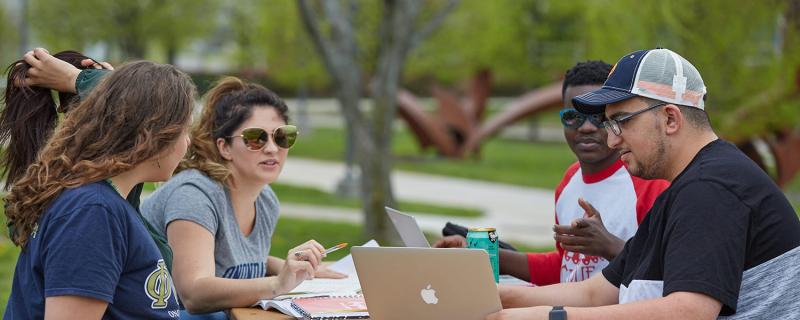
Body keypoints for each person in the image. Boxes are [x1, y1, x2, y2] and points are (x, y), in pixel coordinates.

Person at [489, 48, 800, 319]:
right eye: (608, 124)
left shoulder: (711, 188)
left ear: (670, 119)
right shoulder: (686, 186)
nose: (611, 140)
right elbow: (595, 294)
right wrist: (493, 296)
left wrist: (552, 318)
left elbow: (687, 312)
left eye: (621, 121)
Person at [435, 61, 669, 285]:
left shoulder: (649, 183)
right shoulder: (570, 181)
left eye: (598, 117)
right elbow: (566, 267)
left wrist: (609, 246)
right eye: (572, 117)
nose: (586, 127)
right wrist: (479, 254)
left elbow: (664, 272)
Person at [140, 77, 345, 318]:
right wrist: (277, 284)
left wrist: (287, 267)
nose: (272, 148)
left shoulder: (266, 200)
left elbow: (231, 258)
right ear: (224, 147)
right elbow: (193, 293)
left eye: (282, 136)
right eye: (256, 138)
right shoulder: (194, 195)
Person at [3, 61, 194, 318]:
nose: (188, 141)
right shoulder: (93, 212)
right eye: (185, 129)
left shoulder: (105, 201)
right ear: (155, 135)